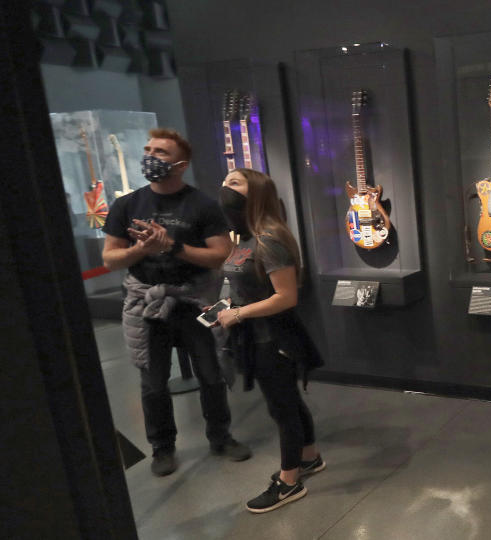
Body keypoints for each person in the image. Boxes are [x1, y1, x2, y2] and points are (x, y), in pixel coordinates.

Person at [102, 128, 251, 477]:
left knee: (211, 374)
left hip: (194, 299)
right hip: (147, 303)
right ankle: (162, 448)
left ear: (181, 164)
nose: (151, 156)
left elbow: (221, 255)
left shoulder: (201, 205)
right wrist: (141, 250)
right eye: (149, 149)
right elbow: (110, 258)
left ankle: (220, 437)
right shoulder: (126, 205)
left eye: (161, 152)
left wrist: (172, 246)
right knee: (153, 383)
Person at [214, 168, 324, 513]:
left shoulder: (269, 238)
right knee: (287, 400)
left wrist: (241, 314)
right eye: (224, 181)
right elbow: (248, 287)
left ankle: (289, 482)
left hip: (274, 337)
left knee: (282, 409)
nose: (224, 187)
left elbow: (286, 296)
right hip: (255, 334)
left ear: (256, 192)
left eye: (234, 182)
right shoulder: (243, 238)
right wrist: (229, 306)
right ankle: (309, 458)